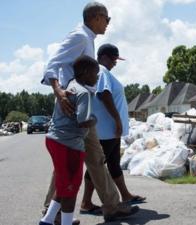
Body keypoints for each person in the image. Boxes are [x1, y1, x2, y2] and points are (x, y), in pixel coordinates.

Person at [41, 2, 139, 224]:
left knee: (95, 158)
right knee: (69, 164)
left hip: (83, 108)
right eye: (107, 18)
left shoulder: (88, 39)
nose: (108, 23)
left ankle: (110, 206)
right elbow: (52, 64)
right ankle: (55, 212)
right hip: (73, 108)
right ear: (96, 17)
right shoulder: (79, 37)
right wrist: (58, 91)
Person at [80, 44, 146, 209]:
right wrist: (117, 120)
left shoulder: (105, 72)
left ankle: (125, 195)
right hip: (105, 130)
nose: (115, 63)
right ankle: (86, 202)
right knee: (97, 165)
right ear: (103, 57)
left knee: (114, 163)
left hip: (111, 131)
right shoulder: (101, 71)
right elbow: (104, 94)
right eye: (113, 59)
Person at [39, 56, 99, 225]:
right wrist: (94, 119)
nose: (97, 77)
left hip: (54, 139)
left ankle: (47, 220)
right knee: (71, 188)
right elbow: (83, 121)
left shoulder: (68, 86)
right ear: (86, 72)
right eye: (96, 73)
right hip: (69, 144)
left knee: (63, 184)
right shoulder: (84, 92)